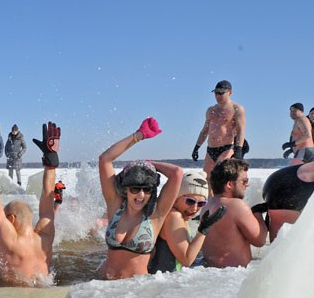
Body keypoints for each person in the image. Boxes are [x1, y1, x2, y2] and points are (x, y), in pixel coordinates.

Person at [0, 122, 60, 285]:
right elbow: (48, 199)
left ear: (12, 219)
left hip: (16, 295)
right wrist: (51, 161)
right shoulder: (45, 238)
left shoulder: (11, 241)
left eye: (6, 218)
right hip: (42, 293)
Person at [98, 117, 184, 279]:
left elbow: (177, 173)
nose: (141, 195)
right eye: (135, 189)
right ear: (126, 189)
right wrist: (138, 135)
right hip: (102, 285)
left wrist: (148, 163)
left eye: (147, 189)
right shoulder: (115, 206)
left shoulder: (156, 214)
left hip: (135, 291)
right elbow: (104, 159)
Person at [148, 171, 226, 274]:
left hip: (166, 280)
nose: (194, 208)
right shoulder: (174, 216)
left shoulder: (178, 216)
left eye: (201, 204)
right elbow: (187, 259)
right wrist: (203, 230)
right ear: (176, 197)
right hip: (163, 283)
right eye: (190, 201)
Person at [201, 159, 268, 268]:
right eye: (244, 181)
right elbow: (260, 241)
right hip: (235, 274)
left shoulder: (207, 204)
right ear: (229, 184)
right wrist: (257, 213)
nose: (247, 185)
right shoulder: (236, 205)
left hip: (211, 270)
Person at [192, 80, 247, 179]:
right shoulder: (211, 110)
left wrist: (238, 149)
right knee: (207, 177)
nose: (218, 96)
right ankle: (210, 195)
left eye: (221, 93)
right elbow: (205, 131)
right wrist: (197, 147)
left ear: (230, 92)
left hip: (226, 148)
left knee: (220, 174)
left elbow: (240, 130)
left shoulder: (236, 108)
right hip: (211, 149)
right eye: (216, 93)